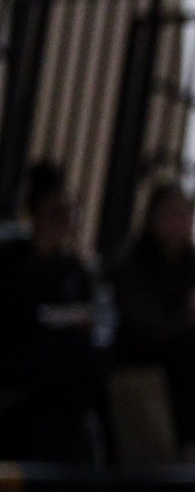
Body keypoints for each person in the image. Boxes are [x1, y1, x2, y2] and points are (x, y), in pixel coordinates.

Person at [107, 184, 195, 462]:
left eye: (185, 214)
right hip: (143, 353)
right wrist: (185, 320)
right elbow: (141, 323)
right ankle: (186, 441)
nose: (179, 221)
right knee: (182, 351)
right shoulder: (133, 262)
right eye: (171, 213)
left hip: (187, 346)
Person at [0, 162, 106, 464]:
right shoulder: (11, 259)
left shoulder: (74, 269)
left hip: (58, 371)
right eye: (55, 214)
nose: (63, 223)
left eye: (67, 214)